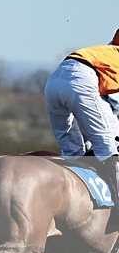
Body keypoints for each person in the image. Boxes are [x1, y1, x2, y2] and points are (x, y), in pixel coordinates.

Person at [45, 42, 119, 194]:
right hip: (82, 79)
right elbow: (114, 106)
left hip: (54, 80)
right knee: (108, 150)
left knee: (73, 153)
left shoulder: (107, 51)